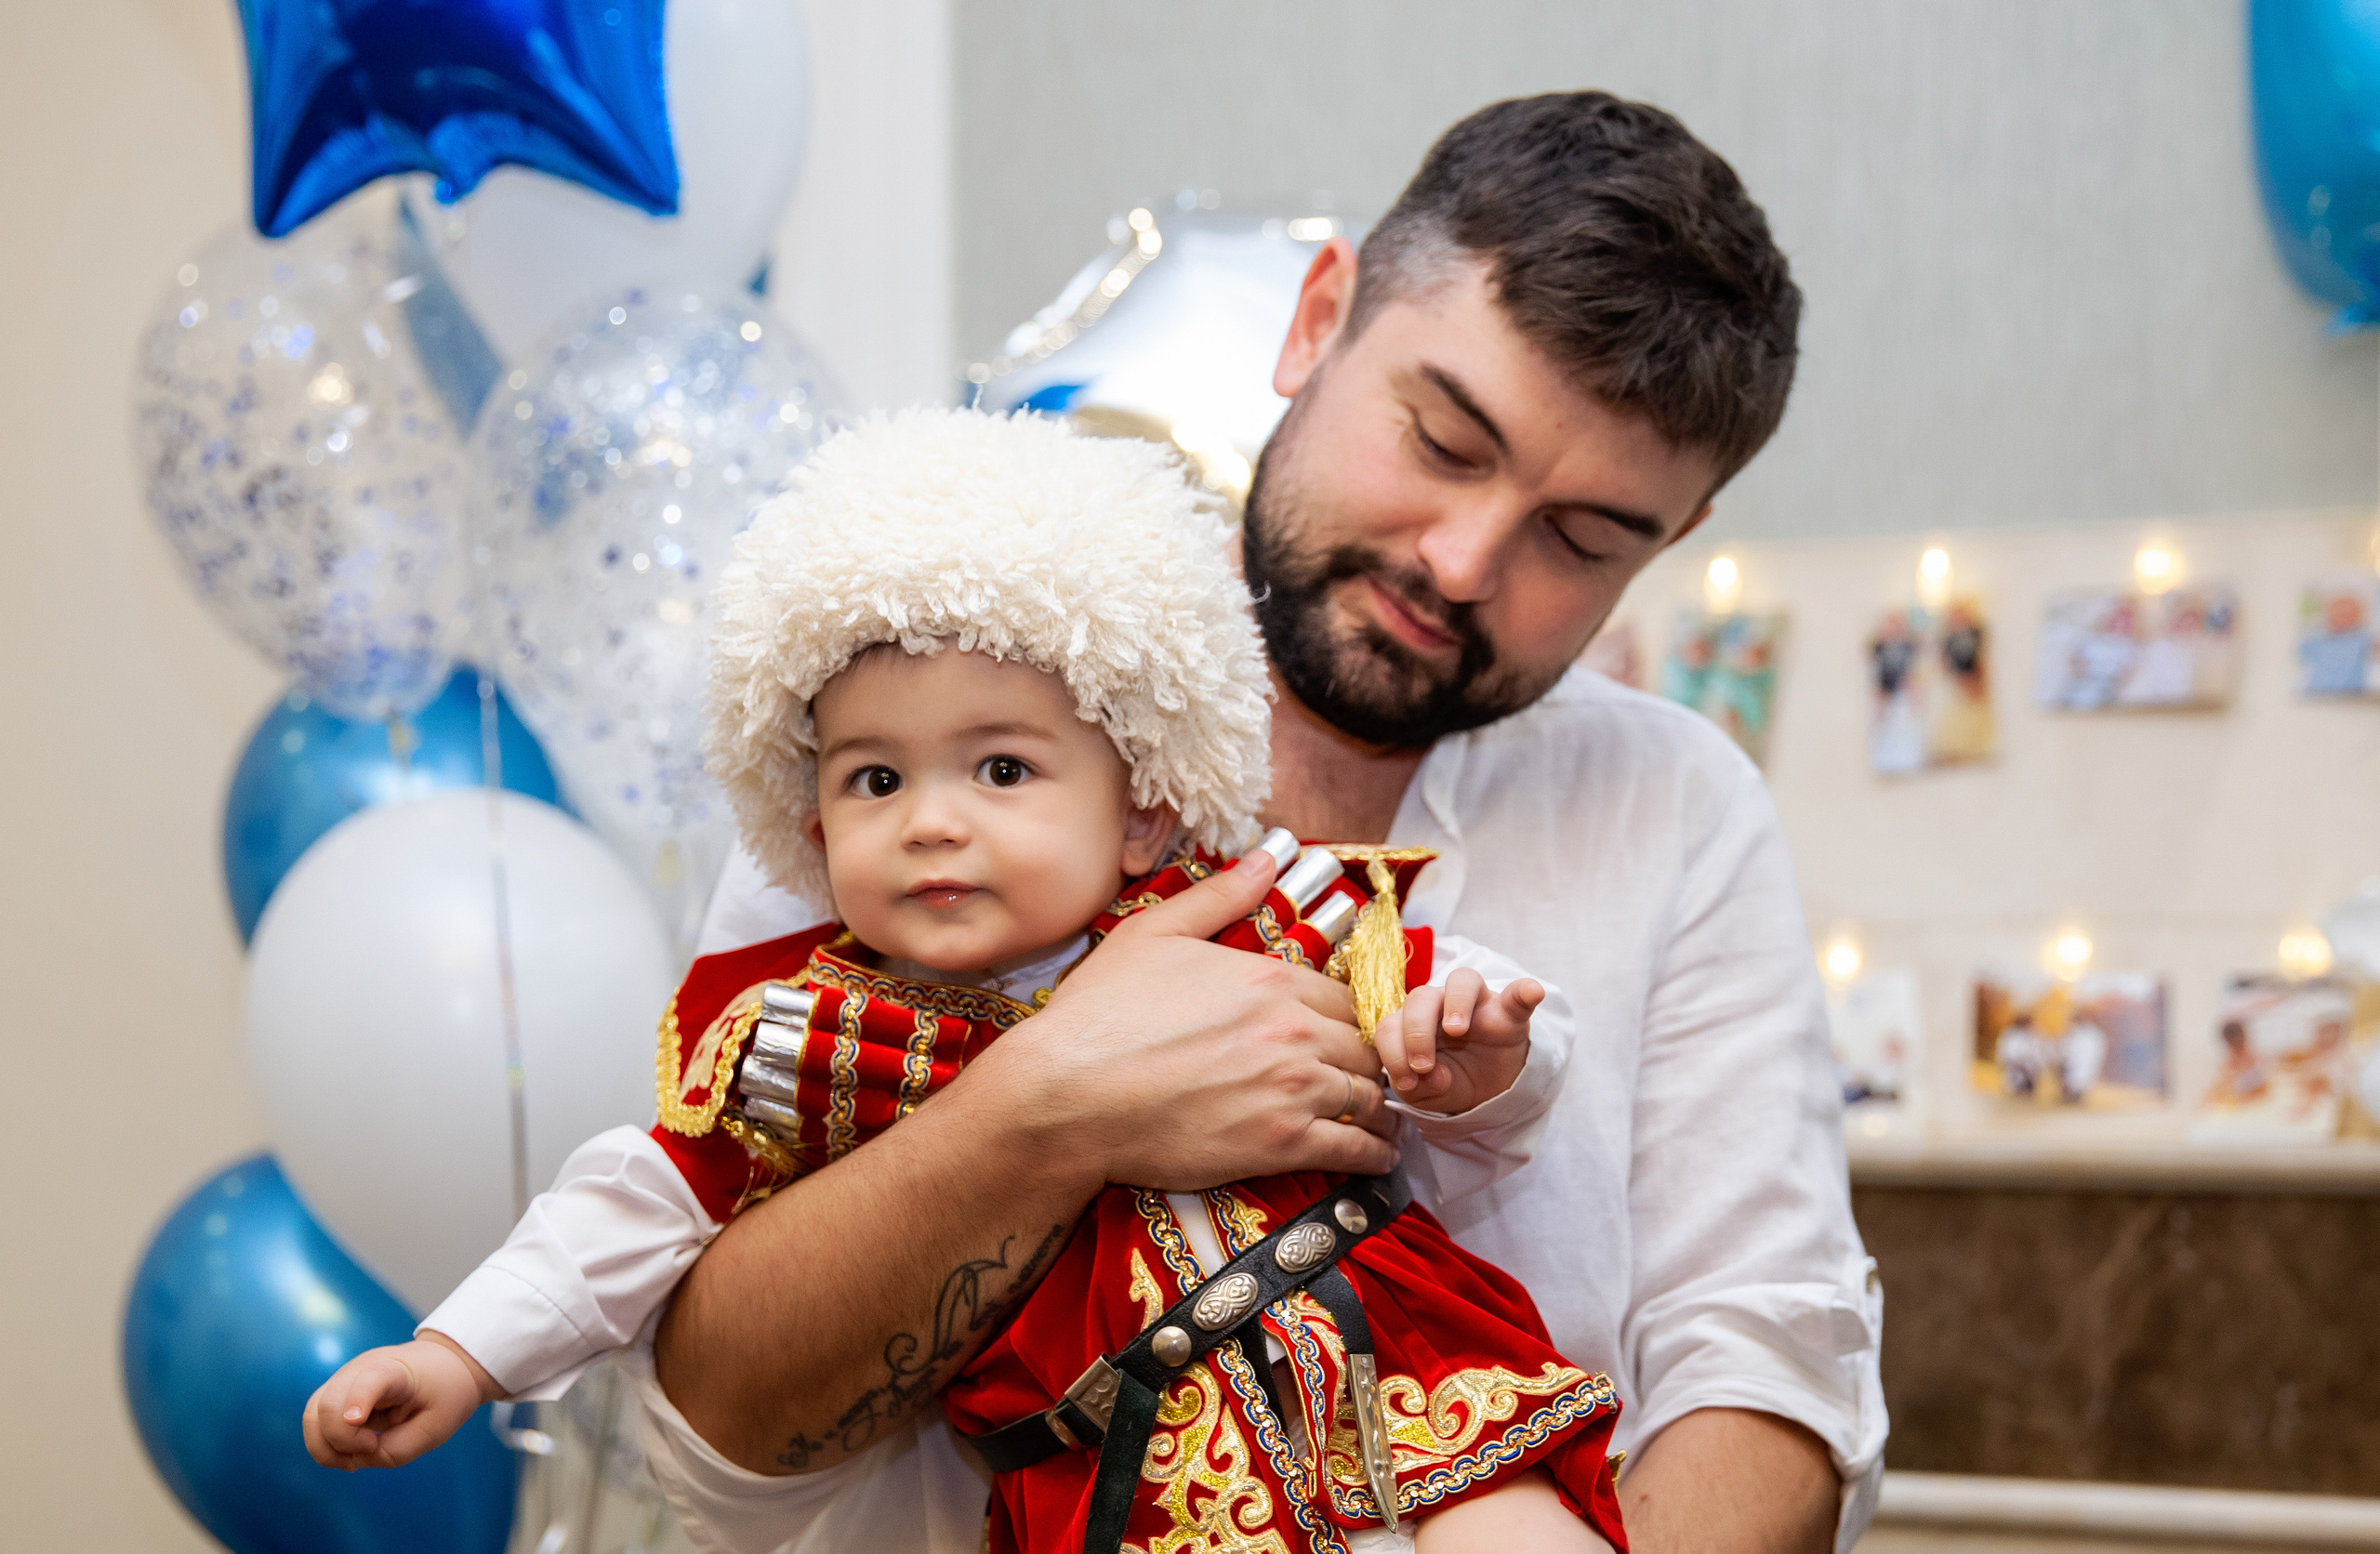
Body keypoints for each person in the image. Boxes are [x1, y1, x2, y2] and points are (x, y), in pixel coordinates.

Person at [631, 91, 1883, 1554]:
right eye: (1443, 438)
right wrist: (1057, 1103)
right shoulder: (948, 692)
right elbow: (713, 1440)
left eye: (1582, 537)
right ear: (1318, 318)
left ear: (1670, 544)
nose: (1467, 563)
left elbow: (1769, 1353)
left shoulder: (1679, 809)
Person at [302, 411, 1628, 1551]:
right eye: (876, 780)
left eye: (1001, 771)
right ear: (815, 837)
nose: (931, 821)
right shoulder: (807, 1037)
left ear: (1143, 815)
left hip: (1389, 1360)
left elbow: (1463, 1020)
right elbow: (624, 1210)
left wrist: (1485, 1056)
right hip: (1109, 1467)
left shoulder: (1245, 911)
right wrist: (459, 1355)